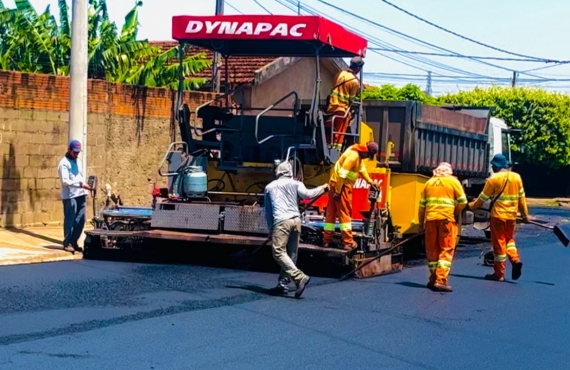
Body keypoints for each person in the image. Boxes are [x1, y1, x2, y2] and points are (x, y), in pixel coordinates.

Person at [264, 162, 329, 298]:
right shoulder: (296, 183)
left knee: (278, 252)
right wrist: (323, 188)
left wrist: (271, 229)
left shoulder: (269, 187)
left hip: (281, 221)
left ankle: (299, 277)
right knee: (292, 254)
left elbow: (268, 211)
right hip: (296, 220)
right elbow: (307, 195)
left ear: (278, 172)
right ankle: (283, 284)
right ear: (289, 172)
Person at [468, 153, 530, 282]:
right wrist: (525, 215)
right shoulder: (517, 177)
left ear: (497, 166)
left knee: (499, 244)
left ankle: (499, 273)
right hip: (511, 217)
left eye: (492, 165)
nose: (492, 168)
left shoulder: (493, 180)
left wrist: (469, 206)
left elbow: (482, 200)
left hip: (498, 217)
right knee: (509, 241)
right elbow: (521, 199)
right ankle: (515, 259)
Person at [418, 162, 467, 292]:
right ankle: (440, 280)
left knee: (432, 250)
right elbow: (463, 201)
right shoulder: (453, 181)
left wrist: (420, 224)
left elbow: (421, 207)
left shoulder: (428, 183)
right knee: (446, 250)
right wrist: (455, 212)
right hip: (446, 220)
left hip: (430, 220)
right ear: (449, 171)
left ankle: (433, 279)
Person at [323, 142, 379, 251]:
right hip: (342, 186)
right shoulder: (353, 157)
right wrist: (338, 193)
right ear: (366, 153)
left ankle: (327, 240)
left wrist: (370, 182)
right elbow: (342, 175)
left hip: (334, 184)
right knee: (345, 214)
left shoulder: (357, 152)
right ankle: (348, 242)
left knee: (331, 213)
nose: (368, 158)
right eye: (369, 156)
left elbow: (361, 169)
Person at [57, 139, 92, 254]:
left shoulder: (78, 161)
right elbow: (65, 181)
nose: (76, 154)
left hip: (81, 194)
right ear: (69, 150)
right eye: (74, 152)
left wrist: (86, 187)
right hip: (70, 196)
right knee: (70, 220)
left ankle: (74, 241)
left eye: (78, 152)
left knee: (81, 220)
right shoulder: (64, 163)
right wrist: (81, 185)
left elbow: (80, 176)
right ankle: (68, 243)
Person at [324, 56, 364, 150]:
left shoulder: (339, 74)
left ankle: (328, 146)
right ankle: (336, 150)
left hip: (331, 107)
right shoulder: (354, 81)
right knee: (339, 133)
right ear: (358, 68)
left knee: (329, 131)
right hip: (342, 110)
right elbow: (351, 99)